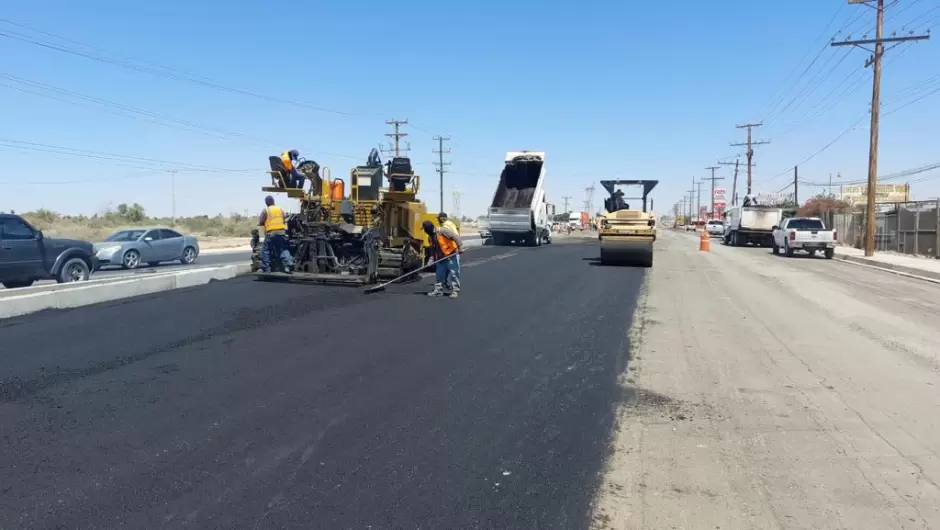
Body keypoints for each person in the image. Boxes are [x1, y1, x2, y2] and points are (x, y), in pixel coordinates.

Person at [423, 220, 462, 298]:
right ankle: (438, 291)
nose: (425, 232)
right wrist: (431, 260)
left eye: (426, 230)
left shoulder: (442, 231)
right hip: (441, 259)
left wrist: (460, 247)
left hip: (450, 255)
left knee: (454, 274)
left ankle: (455, 291)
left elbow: (455, 236)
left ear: (430, 228)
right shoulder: (430, 237)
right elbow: (432, 249)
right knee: (439, 275)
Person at [258, 195, 294, 273]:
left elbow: (261, 222)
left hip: (271, 233)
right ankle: (287, 265)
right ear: (273, 202)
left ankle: (267, 268)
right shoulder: (280, 209)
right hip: (281, 232)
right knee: (283, 248)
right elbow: (284, 219)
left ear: (266, 203)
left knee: (266, 249)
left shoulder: (266, 210)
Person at [437, 212, 461, 289]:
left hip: (452, 250)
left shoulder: (445, 226)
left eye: (438, 218)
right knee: (448, 268)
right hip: (450, 249)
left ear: (441, 218)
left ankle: (455, 288)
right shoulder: (450, 223)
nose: (437, 220)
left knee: (454, 270)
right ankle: (445, 283)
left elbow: (455, 236)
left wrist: (459, 247)